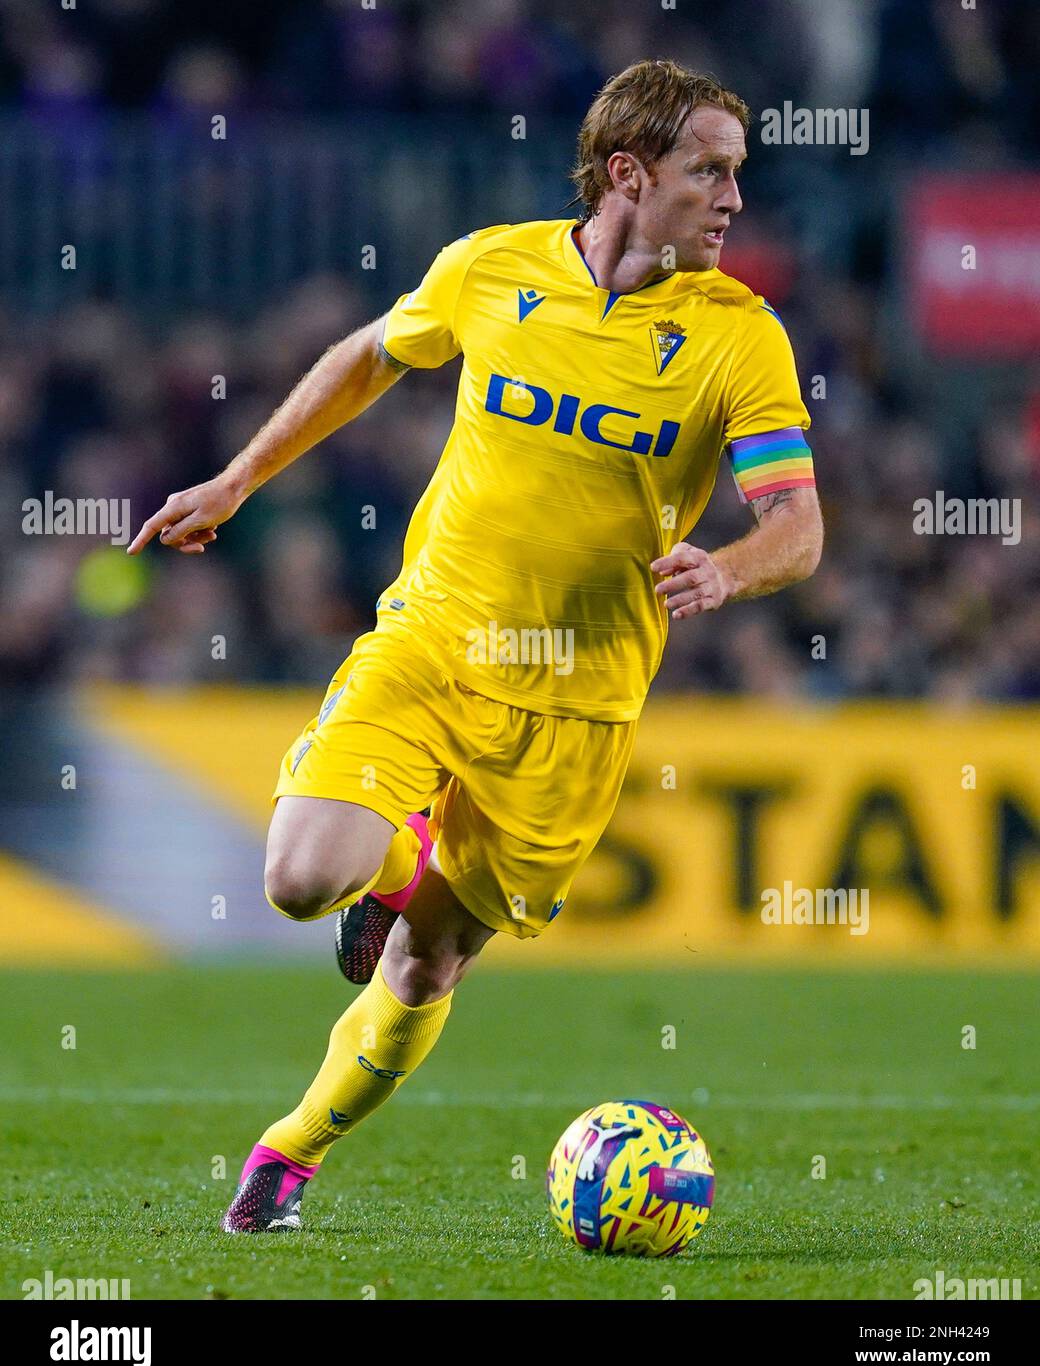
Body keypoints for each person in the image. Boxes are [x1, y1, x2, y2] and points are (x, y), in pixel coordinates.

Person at [128, 58, 823, 1233]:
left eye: (736, 173)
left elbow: (794, 526)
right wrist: (239, 478)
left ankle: (286, 1154)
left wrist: (729, 564)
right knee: (302, 880)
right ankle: (397, 870)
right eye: (708, 171)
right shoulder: (492, 266)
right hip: (433, 641)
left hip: (577, 707)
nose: (731, 199)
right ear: (626, 172)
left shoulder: (734, 337)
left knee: (423, 969)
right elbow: (369, 356)